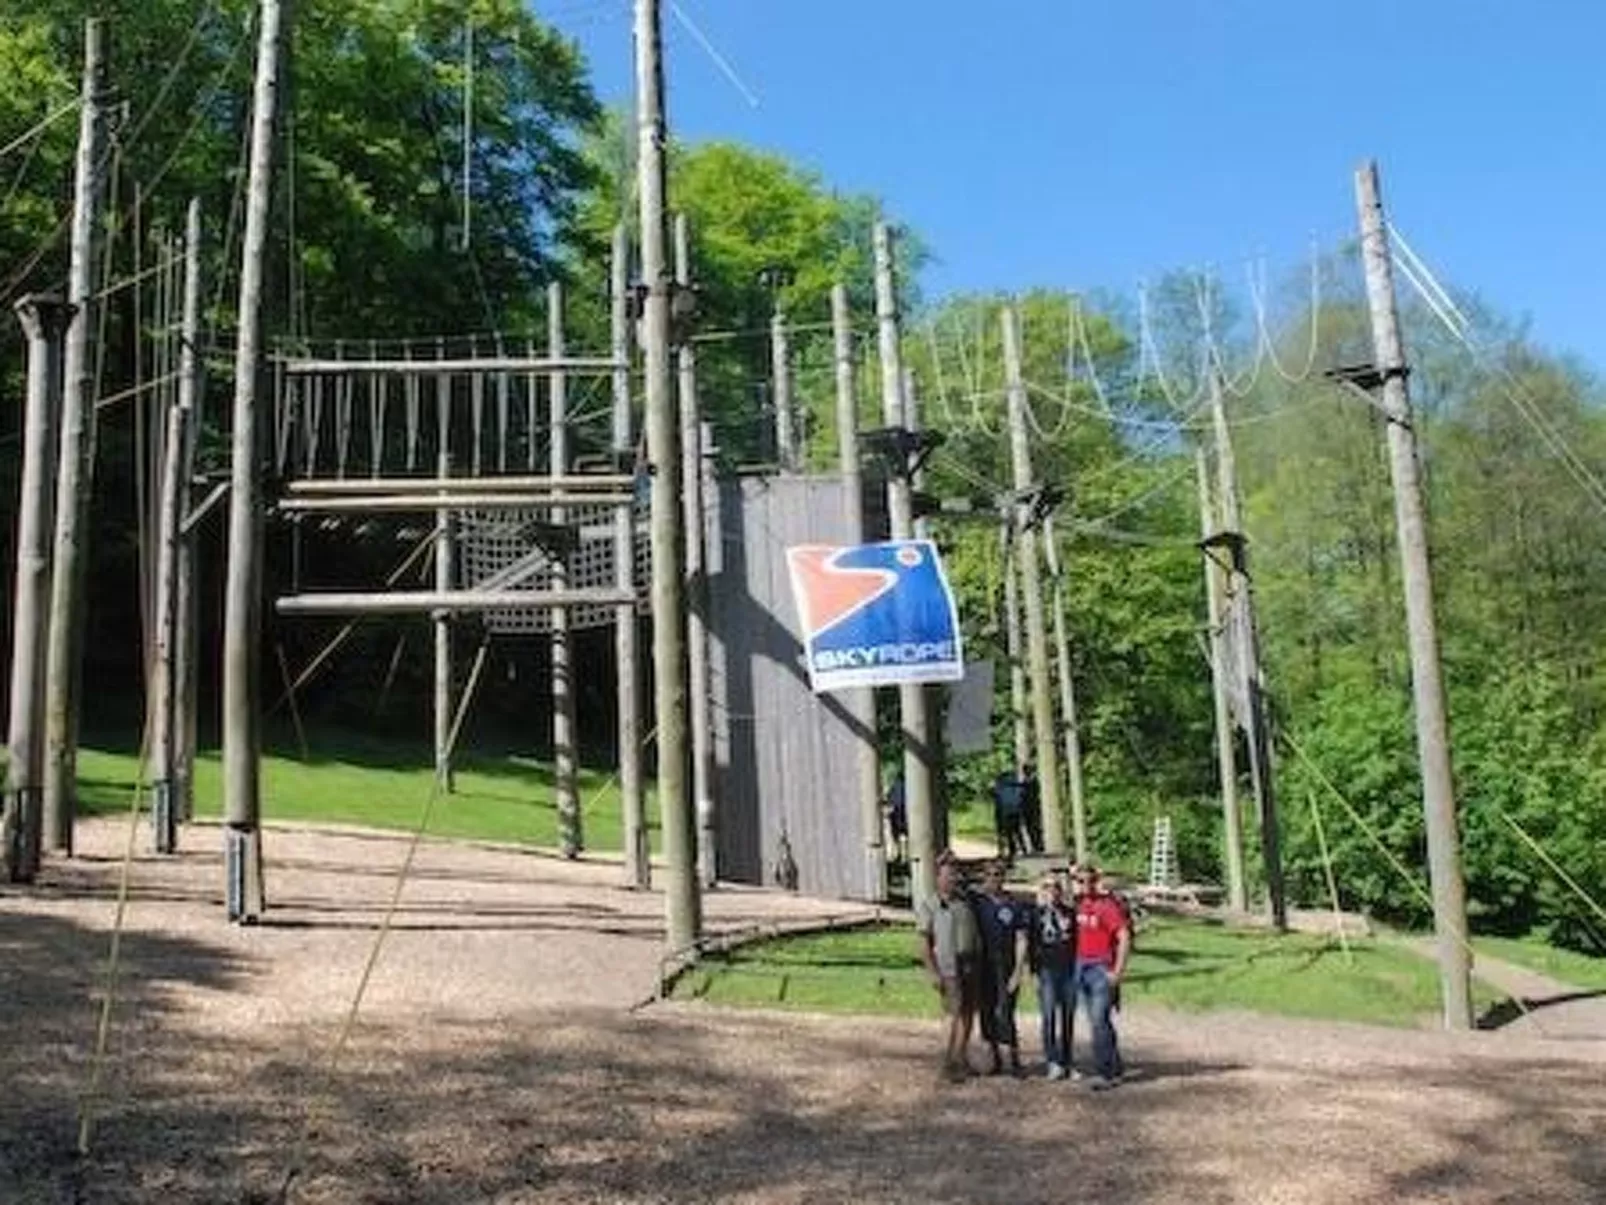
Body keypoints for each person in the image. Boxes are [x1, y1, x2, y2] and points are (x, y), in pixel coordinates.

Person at [915, 852, 983, 1082]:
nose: (952, 879)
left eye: (954, 875)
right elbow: (924, 943)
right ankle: (946, 1063)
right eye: (947, 875)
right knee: (952, 1014)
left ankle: (960, 1058)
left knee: (968, 1012)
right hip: (948, 966)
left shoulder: (966, 902)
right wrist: (932, 972)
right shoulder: (931, 906)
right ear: (937, 878)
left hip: (970, 963)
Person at [1072, 863, 1131, 1089]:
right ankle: (1115, 1068)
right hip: (1081, 966)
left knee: (1098, 1021)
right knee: (1098, 1021)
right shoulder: (1077, 904)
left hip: (1100, 968)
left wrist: (1118, 971)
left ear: (1096, 882)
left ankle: (1105, 1072)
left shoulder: (1106, 906)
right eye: (1080, 881)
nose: (1085, 885)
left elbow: (1124, 936)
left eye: (1090, 881)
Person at [970, 860, 1029, 1076]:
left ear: (1004, 877)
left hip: (1006, 963)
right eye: (989, 874)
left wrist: (1018, 971)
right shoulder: (976, 902)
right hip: (983, 964)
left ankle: (1013, 1059)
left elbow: (1021, 938)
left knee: (1006, 1010)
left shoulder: (1013, 904)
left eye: (998, 874)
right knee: (986, 1010)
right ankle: (992, 1058)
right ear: (983, 877)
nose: (993, 879)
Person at [1030, 870, 1077, 1080]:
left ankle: (1067, 1061)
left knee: (1067, 1017)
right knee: (1049, 1016)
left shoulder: (1070, 913)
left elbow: (1077, 942)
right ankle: (1052, 1061)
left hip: (1068, 970)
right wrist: (1033, 972)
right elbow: (1030, 944)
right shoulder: (1035, 914)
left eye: (1056, 887)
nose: (1052, 891)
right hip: (1046, 970)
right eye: (1047, 887)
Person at [990, 768, 1025, 861]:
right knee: (1017, 832)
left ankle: (1010, 850)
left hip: (1005, 813)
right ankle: (1021, 849)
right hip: (1015, 812)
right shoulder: (1017, 787)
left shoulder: (1001, 788)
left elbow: (994, 795)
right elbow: (1021, 798)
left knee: (1008, 833)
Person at [1020, 761, 1044, 855]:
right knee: (1029, 827)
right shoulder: (1024, 781)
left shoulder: (1033, 781)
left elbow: (1034, 794)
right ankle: (1035, 845)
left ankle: (1039, 844)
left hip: (1033, 806)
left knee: (1036, 826)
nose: (1026, 772)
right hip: (1027, 808)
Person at [885, 772, 908, 865]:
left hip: (896, 815)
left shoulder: (894, 787)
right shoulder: (907, 786)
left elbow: (889, 798)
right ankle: (905, 856)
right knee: (906, 836)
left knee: (897, 836)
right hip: (905, 814)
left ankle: (899, 855)